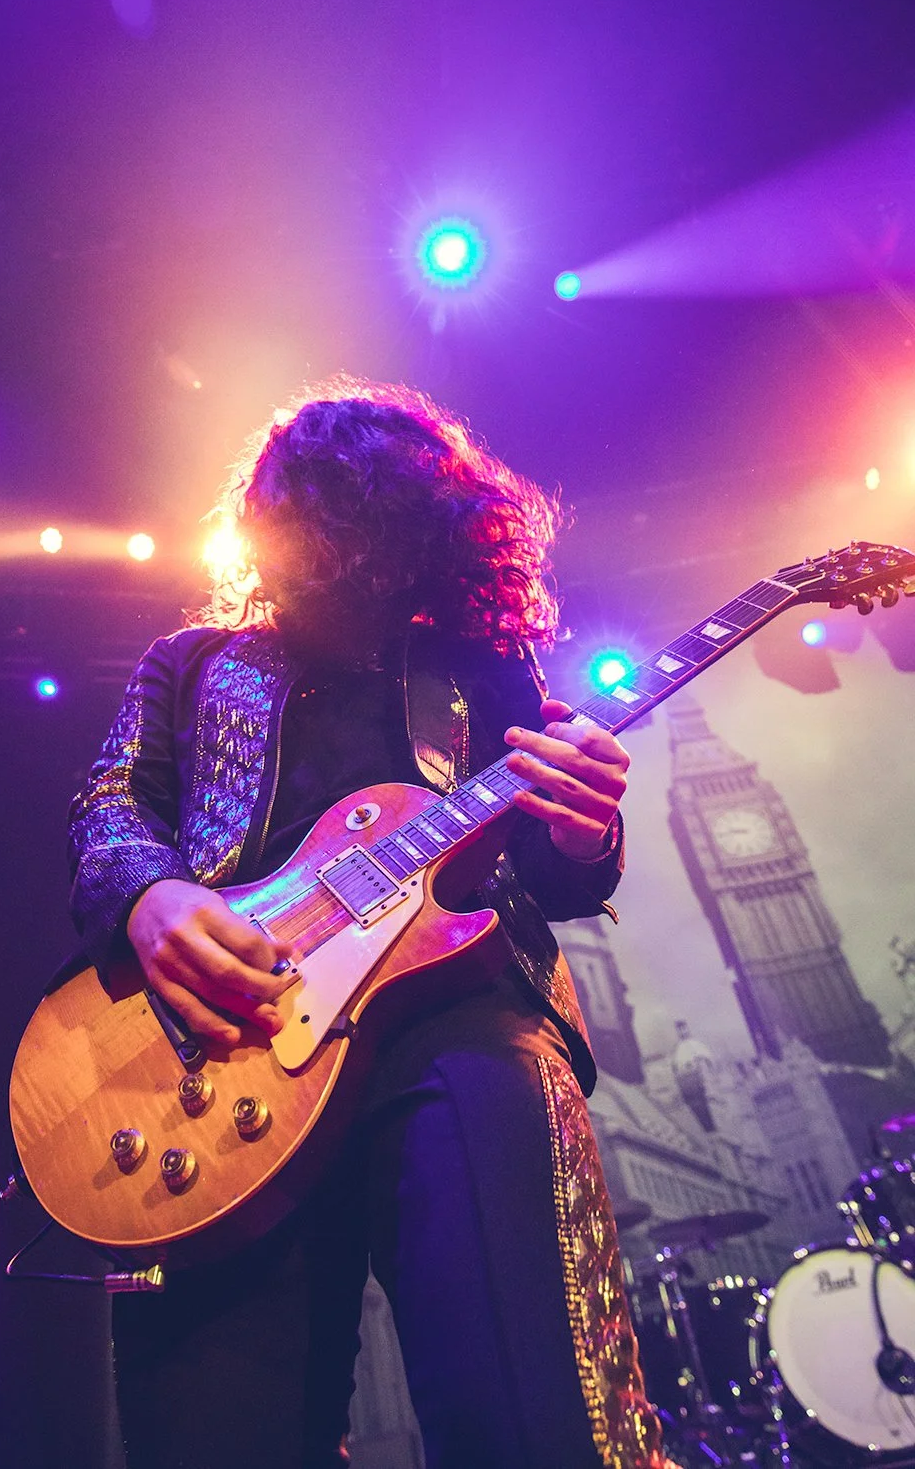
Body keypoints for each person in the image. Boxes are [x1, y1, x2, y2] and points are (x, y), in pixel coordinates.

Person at [67, 376, 666, 1469]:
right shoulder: (192, 664)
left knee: (534, 1411)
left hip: (455, 1023)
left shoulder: (483, 669)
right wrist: (155, 901)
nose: (338, 552)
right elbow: (112, 807)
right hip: (227, 1045)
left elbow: (553, 866)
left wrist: (584, 833)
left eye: (369, 522)